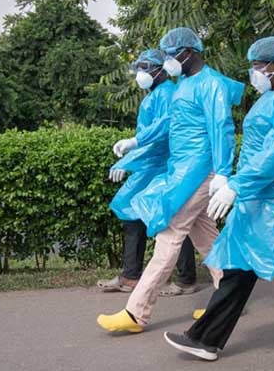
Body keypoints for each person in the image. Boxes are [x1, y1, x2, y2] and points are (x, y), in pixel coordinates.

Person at [164, 36, 274, 364]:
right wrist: (233, 182)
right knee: (239, 265)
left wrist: (236, 186)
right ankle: (205, 339)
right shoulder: (270, 98)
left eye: (258, 66)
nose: (253, 72)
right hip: (262, 196)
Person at [97, 28, 243, 334]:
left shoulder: (212, 85)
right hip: (183, 169)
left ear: (189, 53)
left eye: (171, 55)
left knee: (170, 232)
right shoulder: (185, 84)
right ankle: (229, 300)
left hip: (200, 171)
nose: (167, 61)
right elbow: (167, 122)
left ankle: (136, 312)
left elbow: (221, 129)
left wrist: (222, 173)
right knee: (206, 238)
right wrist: (137, 140)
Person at [96, 49, 199, 295]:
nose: (141, 73)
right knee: (135, 214)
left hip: (163, 166)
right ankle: (132, 275)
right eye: (139, 68)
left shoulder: (167, 94)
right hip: (153, 165)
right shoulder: (156, 95)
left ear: (161, 70)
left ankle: (185, 280)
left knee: (172, 220)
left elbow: (161, 135)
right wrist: (131, 157)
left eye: (146, 67)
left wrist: (130, 157)